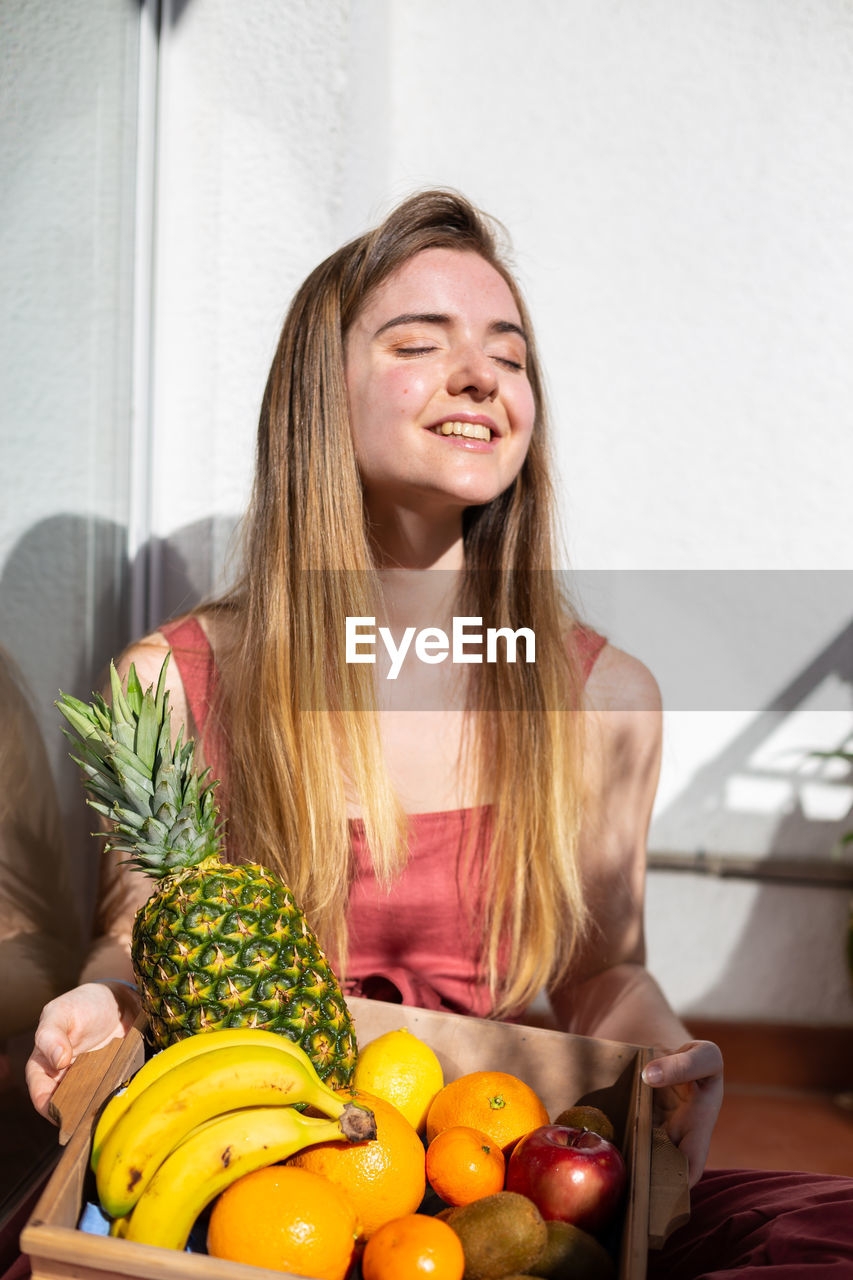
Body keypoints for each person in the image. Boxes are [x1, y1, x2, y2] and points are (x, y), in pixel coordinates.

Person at [25, 191, 852, 1274]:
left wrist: (668, 1054)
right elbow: (138, 934)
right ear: (320, 398)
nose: (482, 376)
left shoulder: (604, 699)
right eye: (419, 343)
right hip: (250, 1197)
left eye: (509, 357)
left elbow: (605, 969)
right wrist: (96, 996)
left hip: (487, 1183)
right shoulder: (173, 684)